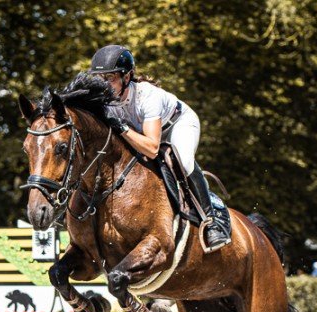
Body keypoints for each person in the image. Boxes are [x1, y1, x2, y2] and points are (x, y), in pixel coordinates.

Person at [88, 45, 231, 252]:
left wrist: (121, 126)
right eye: (99, 78)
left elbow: (153, 148)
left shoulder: (148, 96)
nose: (103, 84)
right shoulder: (106, 100)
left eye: (109, 78)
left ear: (126, 77)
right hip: (141, 133)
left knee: (183, 160)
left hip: (176, 125)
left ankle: (211, 219)